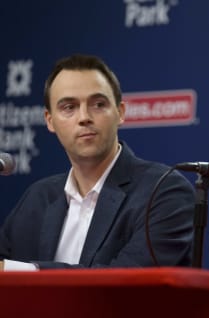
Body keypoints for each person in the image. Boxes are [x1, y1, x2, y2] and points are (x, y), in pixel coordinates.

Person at [0, 54, 195, 269]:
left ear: (120, 113)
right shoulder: (37, 198)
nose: (84, 117)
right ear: (50, 121)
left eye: (98, 104)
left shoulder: (163, 192)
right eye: (69, 107)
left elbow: (126, 284)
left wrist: (23, 271)